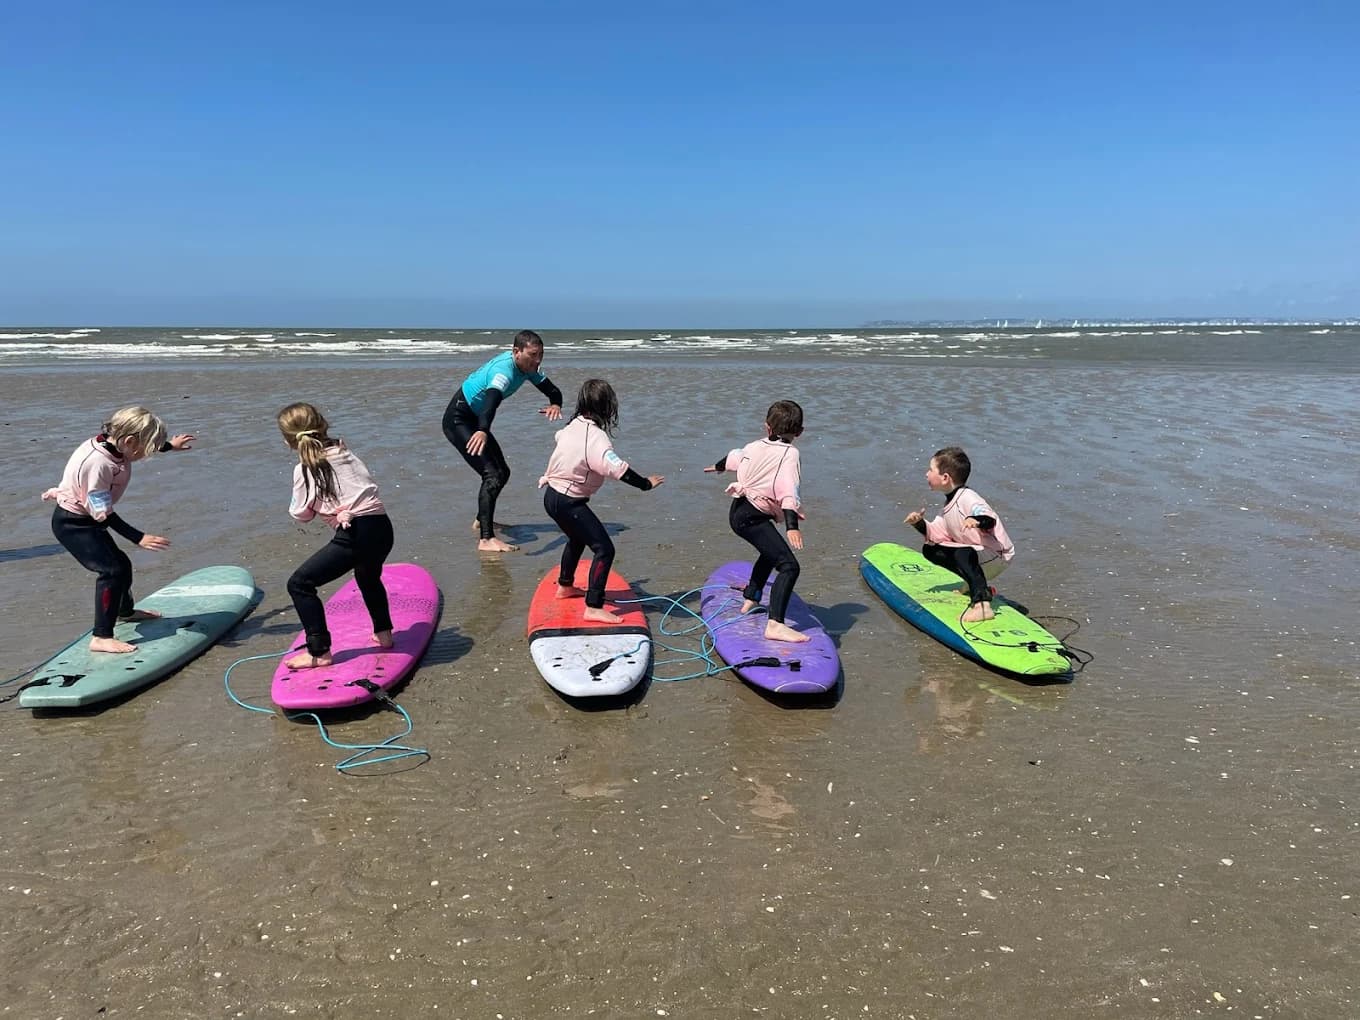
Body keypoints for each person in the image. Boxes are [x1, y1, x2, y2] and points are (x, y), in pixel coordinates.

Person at [41, 406, 195, 653]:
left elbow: (102, 513)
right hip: (73, 523)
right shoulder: (98, 463)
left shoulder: (112, 444)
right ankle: (101, 637)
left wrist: (170, 446)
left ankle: (125, 612)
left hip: (88, 519)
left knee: (121, 565)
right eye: (147, 449)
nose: (148, 454)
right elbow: (104, 514)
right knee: (111, 571)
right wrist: (138, 537)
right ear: (130, 441)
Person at [277, 402, 394, 670]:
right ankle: (384, 634)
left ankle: (319, 652)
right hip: (383, 528)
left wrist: (322, 507)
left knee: (300, 584)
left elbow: (300, 514)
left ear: (288, 441)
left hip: (356, 533)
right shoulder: (346, 452)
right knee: (367, 576)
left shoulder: (305, 469)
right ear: (322, 424)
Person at [539, 379, 664, 623]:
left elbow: (560, 437)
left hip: (551, 496)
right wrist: (645, 484)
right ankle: (593, 606)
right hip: (568, 502)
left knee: (577, 538)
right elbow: (617, 469)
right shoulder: (596, 439)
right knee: (604, 549)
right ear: (607, 408)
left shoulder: (573, 424)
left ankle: (565, 586)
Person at [442, 329, 564, 552]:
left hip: (475, 421)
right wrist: (482, 430)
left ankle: (482, 519)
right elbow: (491, 401)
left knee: (502, 473)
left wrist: (556, 404)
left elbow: (552, 390)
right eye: (533, 355)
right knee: (492, 474)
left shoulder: (528, 368)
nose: (538, 361)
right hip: (459, 420)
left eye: (541, 355)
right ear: (516, 352)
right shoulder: (503, 372)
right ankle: (486, 539)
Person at [705, 400, 808, 644]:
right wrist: (792, 526)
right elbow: (788, 491)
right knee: (789, 566)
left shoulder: (753, 446)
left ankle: (751, 597)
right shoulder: (791, 454)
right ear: (800, 432)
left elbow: (734, 457)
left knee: (771, 552)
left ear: (767, 427)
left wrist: (718, 467)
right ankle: (775, 625)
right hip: (752, 517)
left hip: (740, 511)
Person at [904, 446, 1015, 623]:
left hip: (998, 555)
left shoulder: (968, 498)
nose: (926, 474)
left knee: (963, 553)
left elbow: (990, 519)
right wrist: (918, 523)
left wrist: (976, 520)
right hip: (980, 556)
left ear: (945, 478)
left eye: (930, 470)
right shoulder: (948, 506)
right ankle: (976, 585)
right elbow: (936, 536)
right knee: (930, 550)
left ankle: (982, 606)